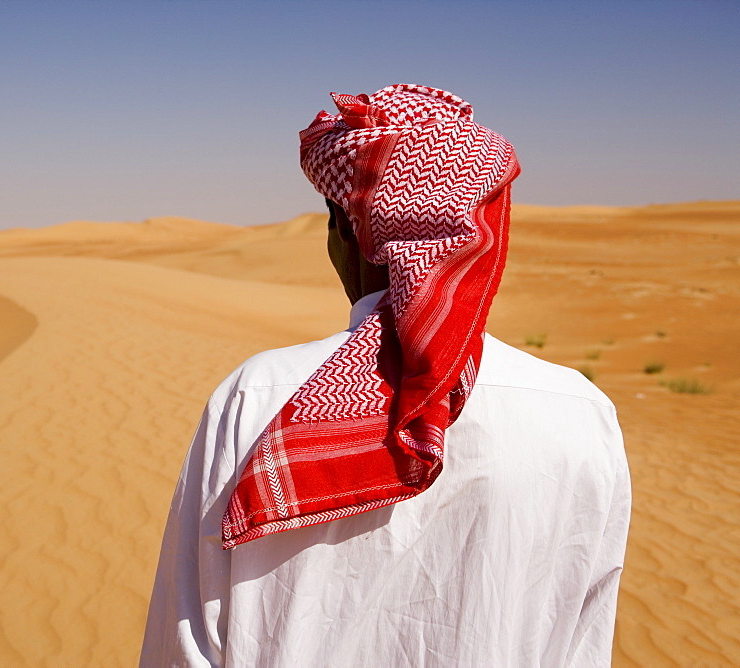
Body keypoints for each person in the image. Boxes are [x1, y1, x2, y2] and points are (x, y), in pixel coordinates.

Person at [141, 85, 631, 667]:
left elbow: (187, 645)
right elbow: (583, 644)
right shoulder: (578, 411)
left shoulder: (256, 399)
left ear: (347, 233)